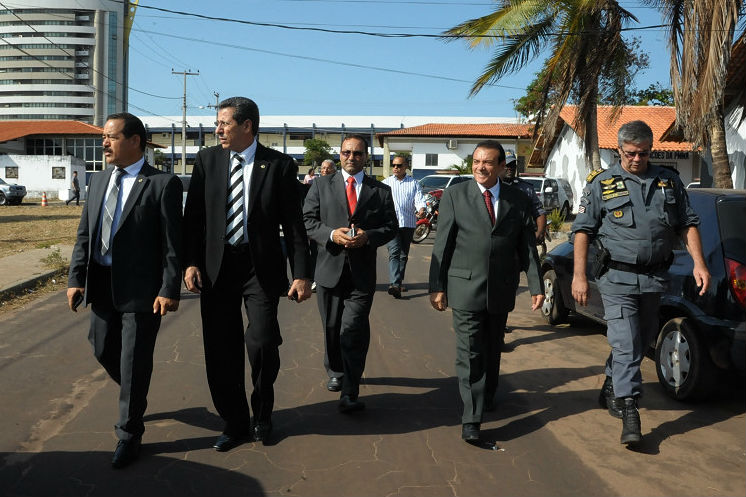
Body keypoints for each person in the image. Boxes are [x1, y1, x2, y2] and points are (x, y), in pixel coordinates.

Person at [183, 96, 312, 451]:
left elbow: (294, 225)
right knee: (221, 348)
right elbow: (193, 217)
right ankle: (235, 421)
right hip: (217, 268)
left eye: (224, 123)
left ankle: (263, 412)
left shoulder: (279, 166)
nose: (217, 129)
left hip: (261, 268)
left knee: (262, 341)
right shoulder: (208, 160)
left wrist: (302, 273)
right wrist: (190, 262)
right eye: (217, 123)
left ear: (247, 126)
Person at [571, 120, 710, 446]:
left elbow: (687, 225)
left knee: (642, 339)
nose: (637, 159)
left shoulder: (668, 181)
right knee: (625, 342)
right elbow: (581, 231)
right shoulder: (601, 184)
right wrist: (579, 276)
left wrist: (699, 263)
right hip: (616, 278)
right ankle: (630, 408)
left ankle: (611, 381)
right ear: (619, 150)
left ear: (651, 150)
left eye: (644, 153)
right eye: (631, 153)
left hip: (654, 278)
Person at [67, 112, 183, 468]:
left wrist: (169, 288)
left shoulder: (162, 183)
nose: (104, 143)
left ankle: (128, 433)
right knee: (103, 349)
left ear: (135, 141)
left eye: (111, 137)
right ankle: (135, 391)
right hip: (101, 284)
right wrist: (75, 279)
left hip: (143, 291)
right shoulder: (99, 180)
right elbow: (85, 233)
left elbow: (172, 244)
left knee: (133, 362)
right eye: (104, 137)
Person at [429, 140, 544, 443]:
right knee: (470, 353)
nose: (480, 167)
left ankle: (487, 395)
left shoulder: (517, 199)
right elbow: (443, 244)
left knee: (493, 350)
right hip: (464, 285)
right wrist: (437, 286)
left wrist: (536, 285)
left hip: (502, 288)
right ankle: (472, 417)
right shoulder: (455, 195)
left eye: (488, 162)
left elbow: (527, 246)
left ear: (502, 167)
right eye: (476, 161)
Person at [303, 134, 397, 411]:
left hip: (361, 274)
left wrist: (369, 237)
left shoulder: (379, 191)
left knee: (353, 328)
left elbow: (390, 226)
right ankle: (335, 370)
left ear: (366, 157)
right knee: (331, 328)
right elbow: (307, 220)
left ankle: (350, 389)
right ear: (339, 155)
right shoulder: (321, 185)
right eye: (346, 153)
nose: (351, 158)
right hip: (329, 269)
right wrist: (332, 234)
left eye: (357, 153)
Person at [500, 152, 547, 337]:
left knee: (510, 285)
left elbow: (539, 211)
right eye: (507, 165)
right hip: (497, 244)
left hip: (518, 245)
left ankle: (500, 321)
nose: (510, 169)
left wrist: (539, 233)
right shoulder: (493, 186)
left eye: (513, 165)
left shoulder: (525, 188)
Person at [382, 154, 425, 298]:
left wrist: (421, 209)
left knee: (403, 255)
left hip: (408, 223)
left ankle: (398, 283)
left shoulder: (414, 183)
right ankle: (394, 284)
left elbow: (419, 199)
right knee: (394, 252)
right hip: (391, 224)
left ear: (406, 166)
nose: (395, 168)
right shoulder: (386, 183)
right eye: (393, 165)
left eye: (399, 165)